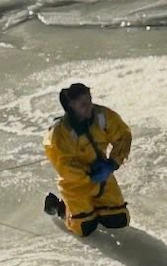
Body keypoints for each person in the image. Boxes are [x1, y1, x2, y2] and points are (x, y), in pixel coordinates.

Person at [43, 83, 132, 237]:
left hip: (103, 176)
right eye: (83, 104)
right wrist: (89, 174)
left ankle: (96, 208)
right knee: (85, 227)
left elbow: (123, 135)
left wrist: (112, 163)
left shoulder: (102, 116)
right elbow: (64, 166)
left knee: (119, 220)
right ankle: (60, 208)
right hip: (76, 183)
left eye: (90, 100)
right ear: (71, 106)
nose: (90, 106)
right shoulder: (59, 133)